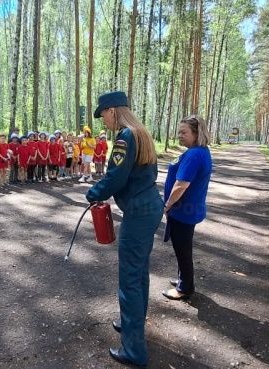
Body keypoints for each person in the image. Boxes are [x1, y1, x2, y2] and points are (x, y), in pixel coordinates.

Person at [86, 91, 163, 367]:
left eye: (104, 115)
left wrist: (93, 193)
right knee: (139, 272)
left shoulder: (125, 137)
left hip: (139, 213)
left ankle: (133, 350)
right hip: (150, 206)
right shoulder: (140, 132)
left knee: (129, 278)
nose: (103, 121)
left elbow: (116, 176)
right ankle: (135, 324)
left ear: (113, 111)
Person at [162, 115, 212, 301]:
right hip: (185, 210)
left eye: (184, 132)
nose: (179, 136)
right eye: (179, 132)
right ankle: (184, 279)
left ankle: (184, 288)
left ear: (196, 133)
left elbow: (181, 185)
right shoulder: (198, 151)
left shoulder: (194, 154)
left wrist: (167, 206)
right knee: (183, 248)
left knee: (182, 249)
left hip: (183, 211)